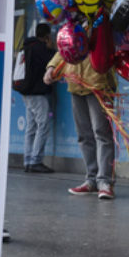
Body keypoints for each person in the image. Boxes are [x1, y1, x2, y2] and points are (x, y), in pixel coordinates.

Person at [45, 51, 117, 200]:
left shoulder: (101, 27)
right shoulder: (72, 26)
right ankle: (91, 180)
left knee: (102, 134)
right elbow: (64, 48)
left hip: (98, 84)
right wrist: (51, 67)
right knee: (84, 135)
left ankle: (104, 182)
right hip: (76, 83)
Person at [20, 24, 56, 173]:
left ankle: (28, 160)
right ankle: (36, 160)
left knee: (31, 128)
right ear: (47, 36)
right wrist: (51, 48)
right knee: (43, 125)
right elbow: (51, 62)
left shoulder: (27, 46)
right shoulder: (40, 48)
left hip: (26, 92)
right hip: (37, 93)